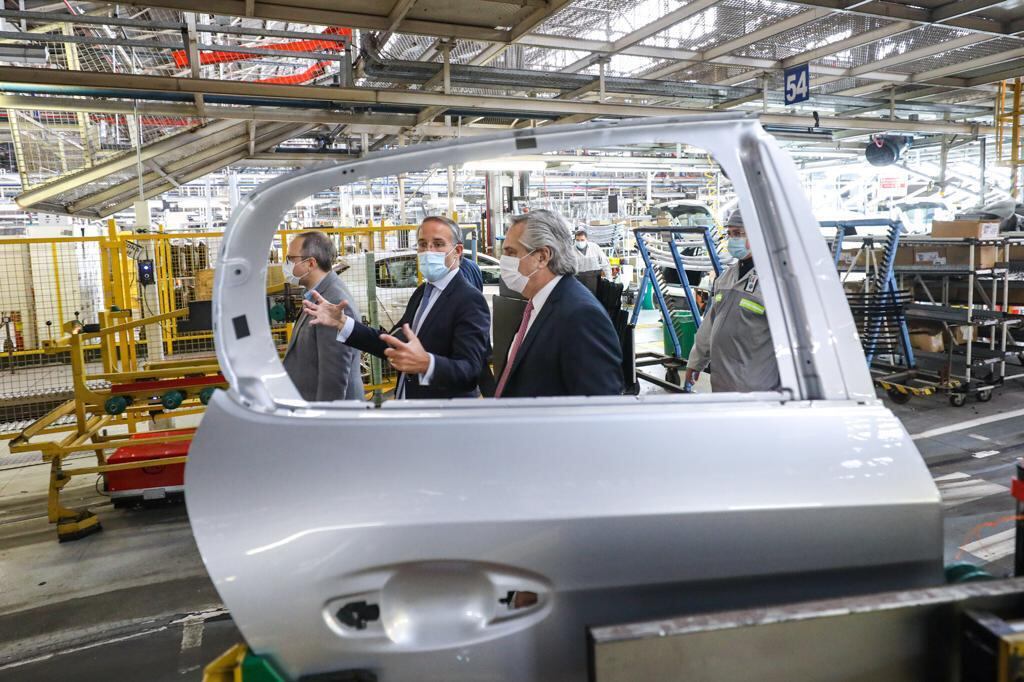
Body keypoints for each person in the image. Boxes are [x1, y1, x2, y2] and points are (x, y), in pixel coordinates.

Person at [303, 216, 491, 399]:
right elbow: (392, 343)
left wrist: (428, 364)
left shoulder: (469, 300)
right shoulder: (422, 293)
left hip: (439, 417)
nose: (428, 251)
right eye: (423, 244)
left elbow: (471, 371)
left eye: (438, 244)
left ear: (457, 251)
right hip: (410, 402)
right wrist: (342, 322)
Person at [493, 209, 623, 398]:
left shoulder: (581, 316)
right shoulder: (538, 304)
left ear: (543, 257)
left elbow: (598, 408)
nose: (504, 261)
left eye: (511, 253)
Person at [684, 210, 781, 393]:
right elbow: (710, 324)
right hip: (722, 382)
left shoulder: (774, 281)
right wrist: (695, 362)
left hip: (758, 388)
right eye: (729, 234)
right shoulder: (726, 277)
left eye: (738, 234)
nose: (731, 240)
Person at [281, 231, 363, 401]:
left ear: (310, 263)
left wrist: (324, 421)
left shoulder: (333, 303)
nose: (286, 264)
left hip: (330, 416)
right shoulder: (316, 294)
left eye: (290, 259)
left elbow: (333, 380)